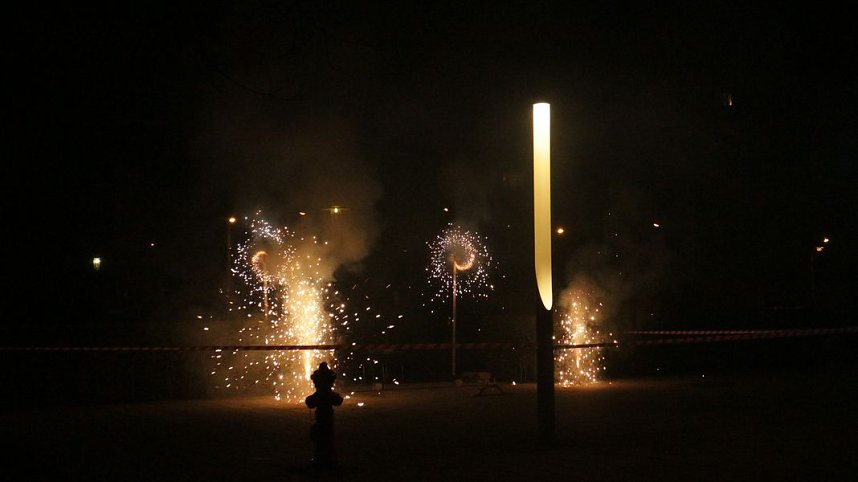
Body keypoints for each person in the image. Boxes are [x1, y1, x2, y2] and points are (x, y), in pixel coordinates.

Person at [305, 362, 344, 469]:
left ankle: (320, 459)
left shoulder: (319, 392)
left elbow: (310, 403)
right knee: (327, 437)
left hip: (322, 415)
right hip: (327, 415)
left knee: (322, 438)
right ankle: (329, 459)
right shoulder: (328, 391)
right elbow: (338, 401)